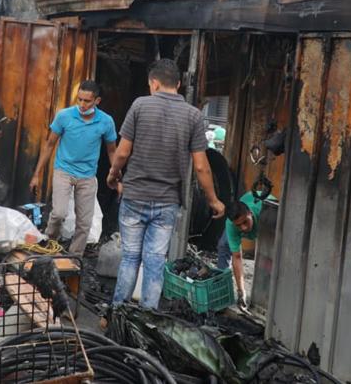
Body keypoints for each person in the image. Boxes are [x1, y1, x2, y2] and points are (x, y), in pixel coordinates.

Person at [106, 59, 226, 309]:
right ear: (179, 84)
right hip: (167, 202)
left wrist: (113, 175)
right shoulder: (193, 115)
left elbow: (123, 152)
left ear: (154, 83)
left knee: (130, 257)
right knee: (155, 261)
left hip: (135, 196)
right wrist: (213, 200)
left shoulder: (140, 105)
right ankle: (148, 316)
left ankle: (117, 311)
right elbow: (201, 166)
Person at [29, 80, 118, 256]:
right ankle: (49, 245)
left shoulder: (106, 121)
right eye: (79, 100)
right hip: (64, 171)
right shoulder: (64, 116)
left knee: (84, 223)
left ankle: (75, 257)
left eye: (87, 101)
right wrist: (36, 174)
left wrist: (116, 175)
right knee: (59, 213)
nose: (82, 105)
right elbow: (49, 145)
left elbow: (112, 151)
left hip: (88, 176)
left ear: (97, 101)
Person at [217, 193, 264, 310]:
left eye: (245, 222)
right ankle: (221, 289)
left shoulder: (263, 213)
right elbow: (237, 257)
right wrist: (241, 291)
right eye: (238, 225)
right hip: (244, 214)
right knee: (224, 245)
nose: (243, 228)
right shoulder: (231, 224)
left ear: (250, 213)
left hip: (266, 220)